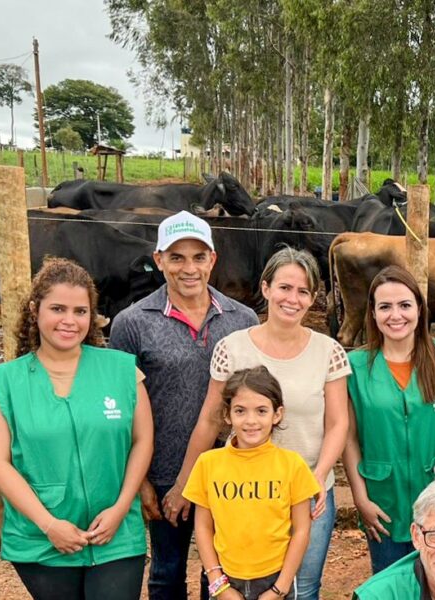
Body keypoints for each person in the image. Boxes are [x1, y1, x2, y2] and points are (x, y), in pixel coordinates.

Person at [179, 247, 351, 600]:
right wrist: (184, 480)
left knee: (302, 588)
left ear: (313, 298)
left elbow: (337, 423)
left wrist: (317, 476)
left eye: (304, 291)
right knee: (240, 582)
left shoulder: (328, 351)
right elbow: (211, 418)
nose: (293, 299)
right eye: (285, 287)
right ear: (266, 287)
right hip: (243, 491)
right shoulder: (233, 348)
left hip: (308, 488)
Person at [0, 258, 153, 600]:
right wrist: (48, 525)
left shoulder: (122, 371)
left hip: (115, 534)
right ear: (35, 310)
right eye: (58, 308)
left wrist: (121, 508)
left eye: (80, 311)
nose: (69, 321)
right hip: (41, 537)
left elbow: (142, 440)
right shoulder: (5, 384)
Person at [108, 210, 258, 600]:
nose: (188, 268)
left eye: (198, 257)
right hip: (162, 471)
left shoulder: (242, 319)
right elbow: (122, 408)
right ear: (158, 261)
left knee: (223, 571)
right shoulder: (132, 323)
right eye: (176, 257)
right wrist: (140, 482)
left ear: (213, 260)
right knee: (166, 570)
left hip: (231, 473)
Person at [343, 265, 435, 573]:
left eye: (404, 305)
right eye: (385, 307)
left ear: (419, 308)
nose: (396, 315)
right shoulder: (355, 367)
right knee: (392, 584)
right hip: (383, 502)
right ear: (373, 314)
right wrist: (360, 498)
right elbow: (348, 438)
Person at [184, 366, 320, 599]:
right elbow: (204, 528)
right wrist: (218, 583)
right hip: (226, 579)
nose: (251, 421)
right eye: (240, 411)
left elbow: (302, 530)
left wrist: (280, 589)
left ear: (277, 414)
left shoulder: (292, 465)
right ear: (227, 415)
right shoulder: (208, 464)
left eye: (261, 411)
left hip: (275, 579)